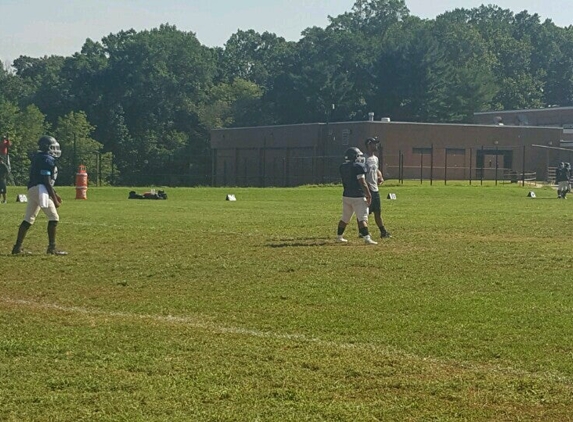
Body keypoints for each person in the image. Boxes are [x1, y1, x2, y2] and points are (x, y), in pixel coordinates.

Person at [12, 135, 68, 255]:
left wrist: (55, 193)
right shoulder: (46, 160)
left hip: (33, 189)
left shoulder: (40, 157)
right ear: (46, 147)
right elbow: (46, 181)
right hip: (40, 189)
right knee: (54, 218)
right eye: (52, 147)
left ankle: (17, 247)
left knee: (28, 219)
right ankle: (52, 248)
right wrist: (54, 198)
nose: (55, 150)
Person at [336, 147, 377, 245]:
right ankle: (367, 238)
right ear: (354, 156)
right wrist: (368, 194)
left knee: (345, 218)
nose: (360, 157)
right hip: (358, 196)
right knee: (362, 218)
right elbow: (362, 182)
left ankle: (339, 236)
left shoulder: (343, 166)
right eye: (358, 155)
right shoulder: (358, 167)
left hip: (346, 195)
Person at [359, 137, 391, 238]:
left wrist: (380, 176)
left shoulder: (375, 158)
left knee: (378, 212)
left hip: (375, 189)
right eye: (374, 143)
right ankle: (362, 231)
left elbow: (376, 170)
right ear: (369, 145)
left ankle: (383, 232)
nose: (376, 146)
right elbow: (360, 174)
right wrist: (365, 186)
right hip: (367, 190)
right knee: (364, 213)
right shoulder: (363, 158)